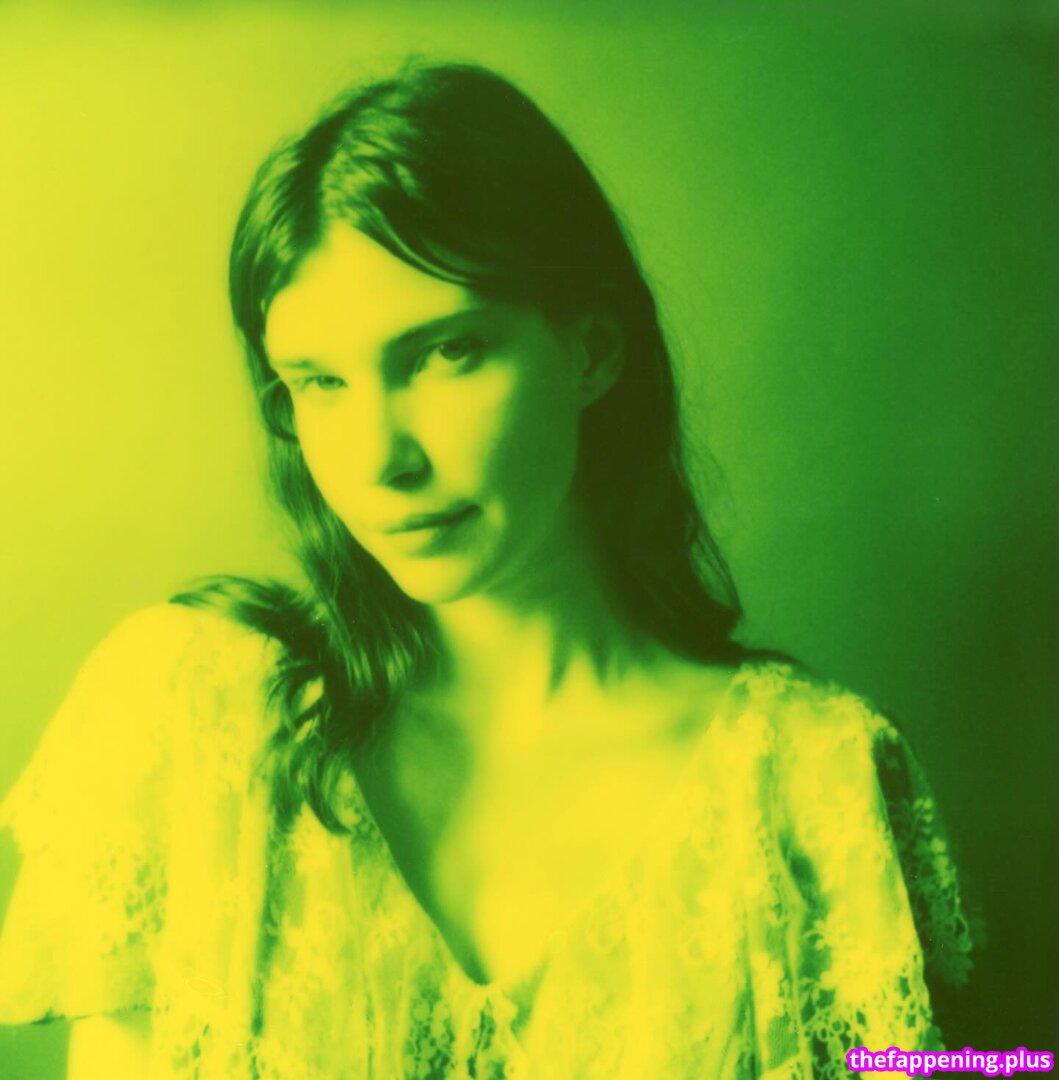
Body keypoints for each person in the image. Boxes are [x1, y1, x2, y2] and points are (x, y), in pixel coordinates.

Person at [0, 60, 972, 1079]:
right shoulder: (200, 723)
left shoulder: (813, 779)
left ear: (592, 351)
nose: (380, 459)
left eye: (445, 352)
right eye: (320, 383)